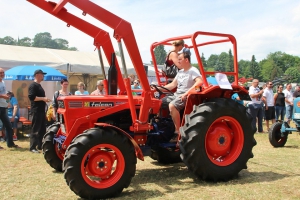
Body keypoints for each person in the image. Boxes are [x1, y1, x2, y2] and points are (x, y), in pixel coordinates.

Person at [160, 48, 203, 142]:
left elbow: (200, 82)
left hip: (187, 95)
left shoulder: (193, 70)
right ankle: (162, 126)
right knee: (158, 103)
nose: (178, 61)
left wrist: (186, 93)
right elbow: (172, 85)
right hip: (177, 94)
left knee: (172, 105)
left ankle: (177, 131)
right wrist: (158, 88)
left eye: (180, 59)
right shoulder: (180, 72)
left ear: (186, 60)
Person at [28, 69, 52, 153]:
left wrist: (45, 100)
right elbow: (32, 97)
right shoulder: (33, 85)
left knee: (42, 129)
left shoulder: (39, 85)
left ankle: (40, 145)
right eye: (42, 74)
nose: (43, 76)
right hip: (36, 110)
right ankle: (32, 147)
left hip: (41, 110)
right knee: (35, 129)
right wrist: (43, 98)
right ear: (37, 75)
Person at [0, 68, 19, 149]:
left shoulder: (3, 82)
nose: (2, 74)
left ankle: (10, 143)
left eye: (3, 72)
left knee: (8, 125)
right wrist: (3, 96)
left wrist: (6, 101)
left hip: (3, 107)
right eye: (0, 72)